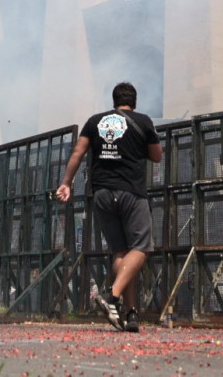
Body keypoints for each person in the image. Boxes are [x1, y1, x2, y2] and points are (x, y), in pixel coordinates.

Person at [56, 81, 163, 333]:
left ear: (113, 101)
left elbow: (77, 153)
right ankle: (111, 296)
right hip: (131, 193)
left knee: (121, 253)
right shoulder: (143, 121)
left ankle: (130, 313)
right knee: (143, 247)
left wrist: (66, 183)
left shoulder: (94, 121)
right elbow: (157, 156)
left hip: (102, 194)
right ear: (134, 102)